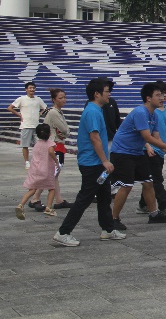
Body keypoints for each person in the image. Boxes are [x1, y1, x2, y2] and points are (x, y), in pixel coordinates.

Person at [53, 79, 125, 246]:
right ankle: (63, 232)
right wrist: (105, 160)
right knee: (84, 198)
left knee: (104, 197)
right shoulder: (92, 111)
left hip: (97, 163)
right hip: (92, 163)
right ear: (97, 94)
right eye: (106, 91)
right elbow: (95, 138)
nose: (109, 94)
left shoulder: (97, 110)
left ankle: (108, 229)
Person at [109, 82, 166, 230]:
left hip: (137, 152)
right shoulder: (140, 112)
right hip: (122, 152)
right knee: (126, 185)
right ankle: (113, 219)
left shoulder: (154, 114)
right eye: (158, 95)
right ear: (148, 98)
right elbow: (147, 137)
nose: (162, 98)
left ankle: (153, 214)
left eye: (162, 95)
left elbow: (156, 137)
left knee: (148, 182)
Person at [137, 81, 166, 217]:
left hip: (160, 149)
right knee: (156, 179)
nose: (163, 96)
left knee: (150, 179)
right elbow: (145, 134)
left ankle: (144, 204)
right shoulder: (149, 112)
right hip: (151, 151)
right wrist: (148, 146)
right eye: (160, 94)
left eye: (165, 93)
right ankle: (164, 205)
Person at [30, 88, 72, 211]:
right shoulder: (54, 112)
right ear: (54, 99)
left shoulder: (58, 112)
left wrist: (64, 132)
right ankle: (35, 199)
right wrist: (65, 132)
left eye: (64, 97)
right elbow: (65, 130)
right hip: (55, 145)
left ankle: (59, 200)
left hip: (57, 144)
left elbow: (64, 131)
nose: (63, 100)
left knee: (54, 175)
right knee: (50, 174)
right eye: (60, 98)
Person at [16, 124, 59, 219]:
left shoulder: (37, 144)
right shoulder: (50, 143)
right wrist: (56, 161)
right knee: (51, 188)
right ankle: (48, 208)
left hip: (35, 170)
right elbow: (51, 151)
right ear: (49, 133)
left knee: (32, 189)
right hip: (46, 170)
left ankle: (21, 205)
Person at [8, 81, 47, 169]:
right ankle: (27, 162)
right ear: (26, 89)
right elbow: (10, 108)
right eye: (30, 88)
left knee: (39, 145)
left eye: (33, 88)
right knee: (25, 145)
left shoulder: (38, 99)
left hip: (36, 126)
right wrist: (19, 115)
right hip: (26, 125)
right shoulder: (21, 99)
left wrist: (40, 114)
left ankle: (38, 161)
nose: (32, 89)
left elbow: (45, 108)